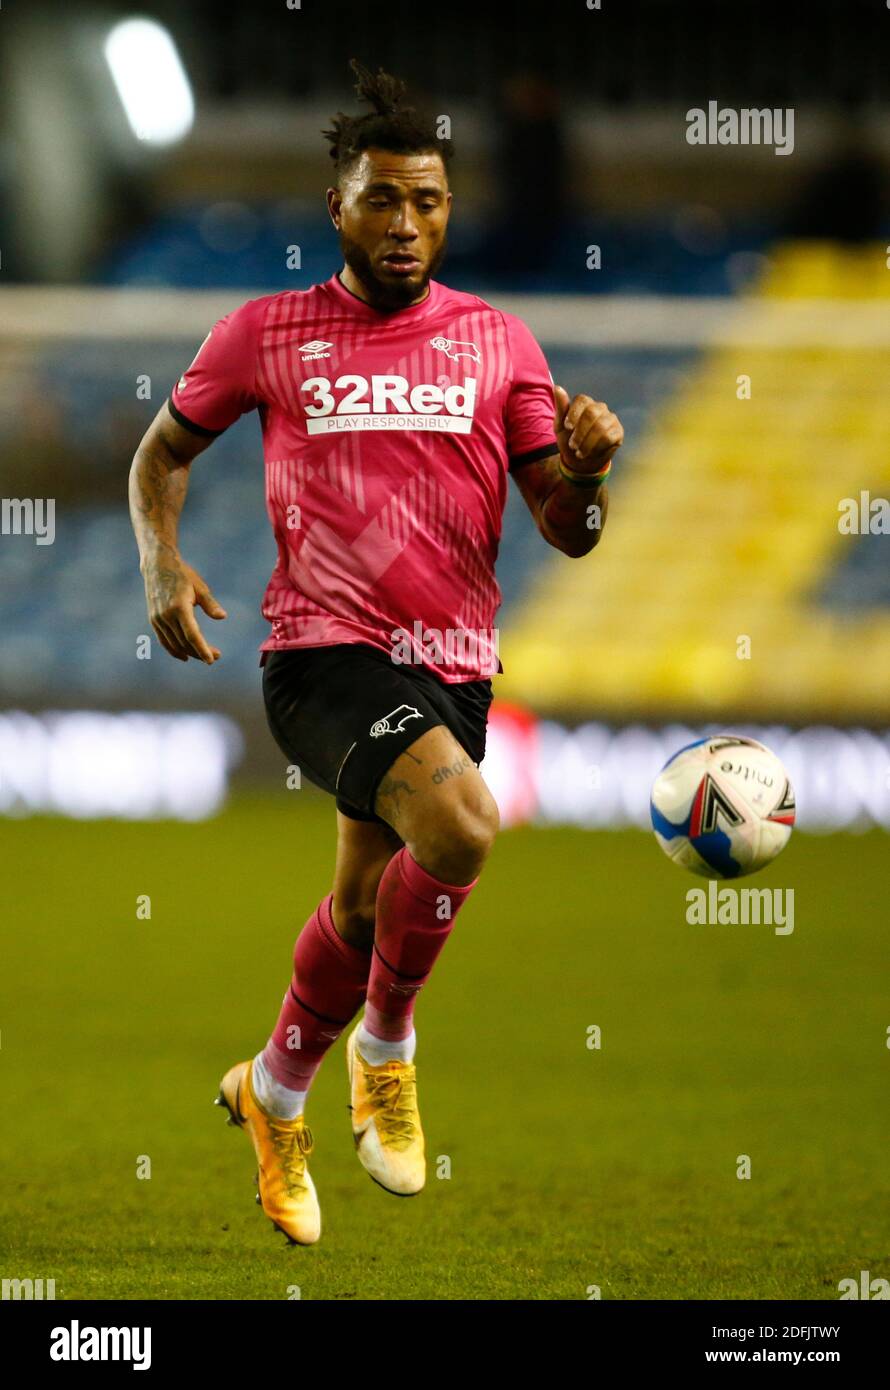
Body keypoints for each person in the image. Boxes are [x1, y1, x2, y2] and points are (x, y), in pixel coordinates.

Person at [128, 60, 623, 1246]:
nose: (408, 224)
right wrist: (159, 559)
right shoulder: (264, 332)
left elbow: (568, 529)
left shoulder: (500, 343)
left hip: (451, 663)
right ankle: (387, 1051)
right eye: (383, 200)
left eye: (430, 202)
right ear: (337, 208)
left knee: (359, 906)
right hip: (318, 656)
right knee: (460, 826)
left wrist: (591, 470)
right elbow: (161, 452)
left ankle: (275, 1088)